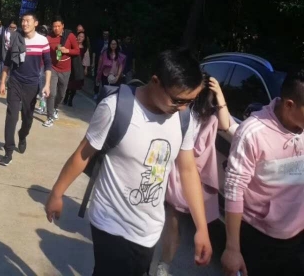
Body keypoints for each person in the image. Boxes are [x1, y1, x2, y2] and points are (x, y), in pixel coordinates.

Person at [45, 49, 212, 276]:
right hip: (111, 222)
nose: (183, 107)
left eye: (189, 101)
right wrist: (57, 193)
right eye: (178, 100)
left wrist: (201, 228)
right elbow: (83, 154)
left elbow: (188, 170)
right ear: (155, 82)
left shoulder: (184, 119)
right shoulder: (115, 108)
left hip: (150, 229)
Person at [220, 68, 304, 276]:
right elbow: (234, 189)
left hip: (297, 237)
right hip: (258, 237)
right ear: (289, 105)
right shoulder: (252, 133)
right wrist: (232, 249)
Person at [157, 76, 236, 276]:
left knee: (175, 220)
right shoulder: (185, 111)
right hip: (181, 169)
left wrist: (220, 96)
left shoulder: (209, 115)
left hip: (193, 173)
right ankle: (162, 265)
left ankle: (163, 265)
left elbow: (226, 124)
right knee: (173, 219)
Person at [0, 12, 51, 166]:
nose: (24, 23)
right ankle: (8, 151)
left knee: (27, 118)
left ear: (36, 23)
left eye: (28, 21)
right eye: (23, 21)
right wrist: (2, 82)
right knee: (11, 116)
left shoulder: (42, 41)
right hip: (15, 82)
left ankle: (22, 135)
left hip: (32, 85)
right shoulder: (16, 38)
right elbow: (7, 62)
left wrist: (47, 84)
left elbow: (48, 64)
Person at [44, 18, 80, 128]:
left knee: (61, 94)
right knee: (52, 93)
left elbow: (77, 51)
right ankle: (50, 117)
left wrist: (67, 50)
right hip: (53, 68)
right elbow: (44, 51)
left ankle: (55, 108)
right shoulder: (49, 37)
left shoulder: (70, 36)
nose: (56, 28)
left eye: (58, 26)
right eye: (54, 26)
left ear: (63, 26)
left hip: (66, 70)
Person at [63, 29, 90, 107]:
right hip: (70, 66)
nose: (80, 38)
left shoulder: (85, 49)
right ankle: (66, 97)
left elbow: (86, 59)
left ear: (84, 39)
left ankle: (71, 99)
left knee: (75, 86)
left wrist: (85, 68)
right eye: (79, 36)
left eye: (82, 37)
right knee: (69, 84)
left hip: (79, 68)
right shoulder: (72, 45)